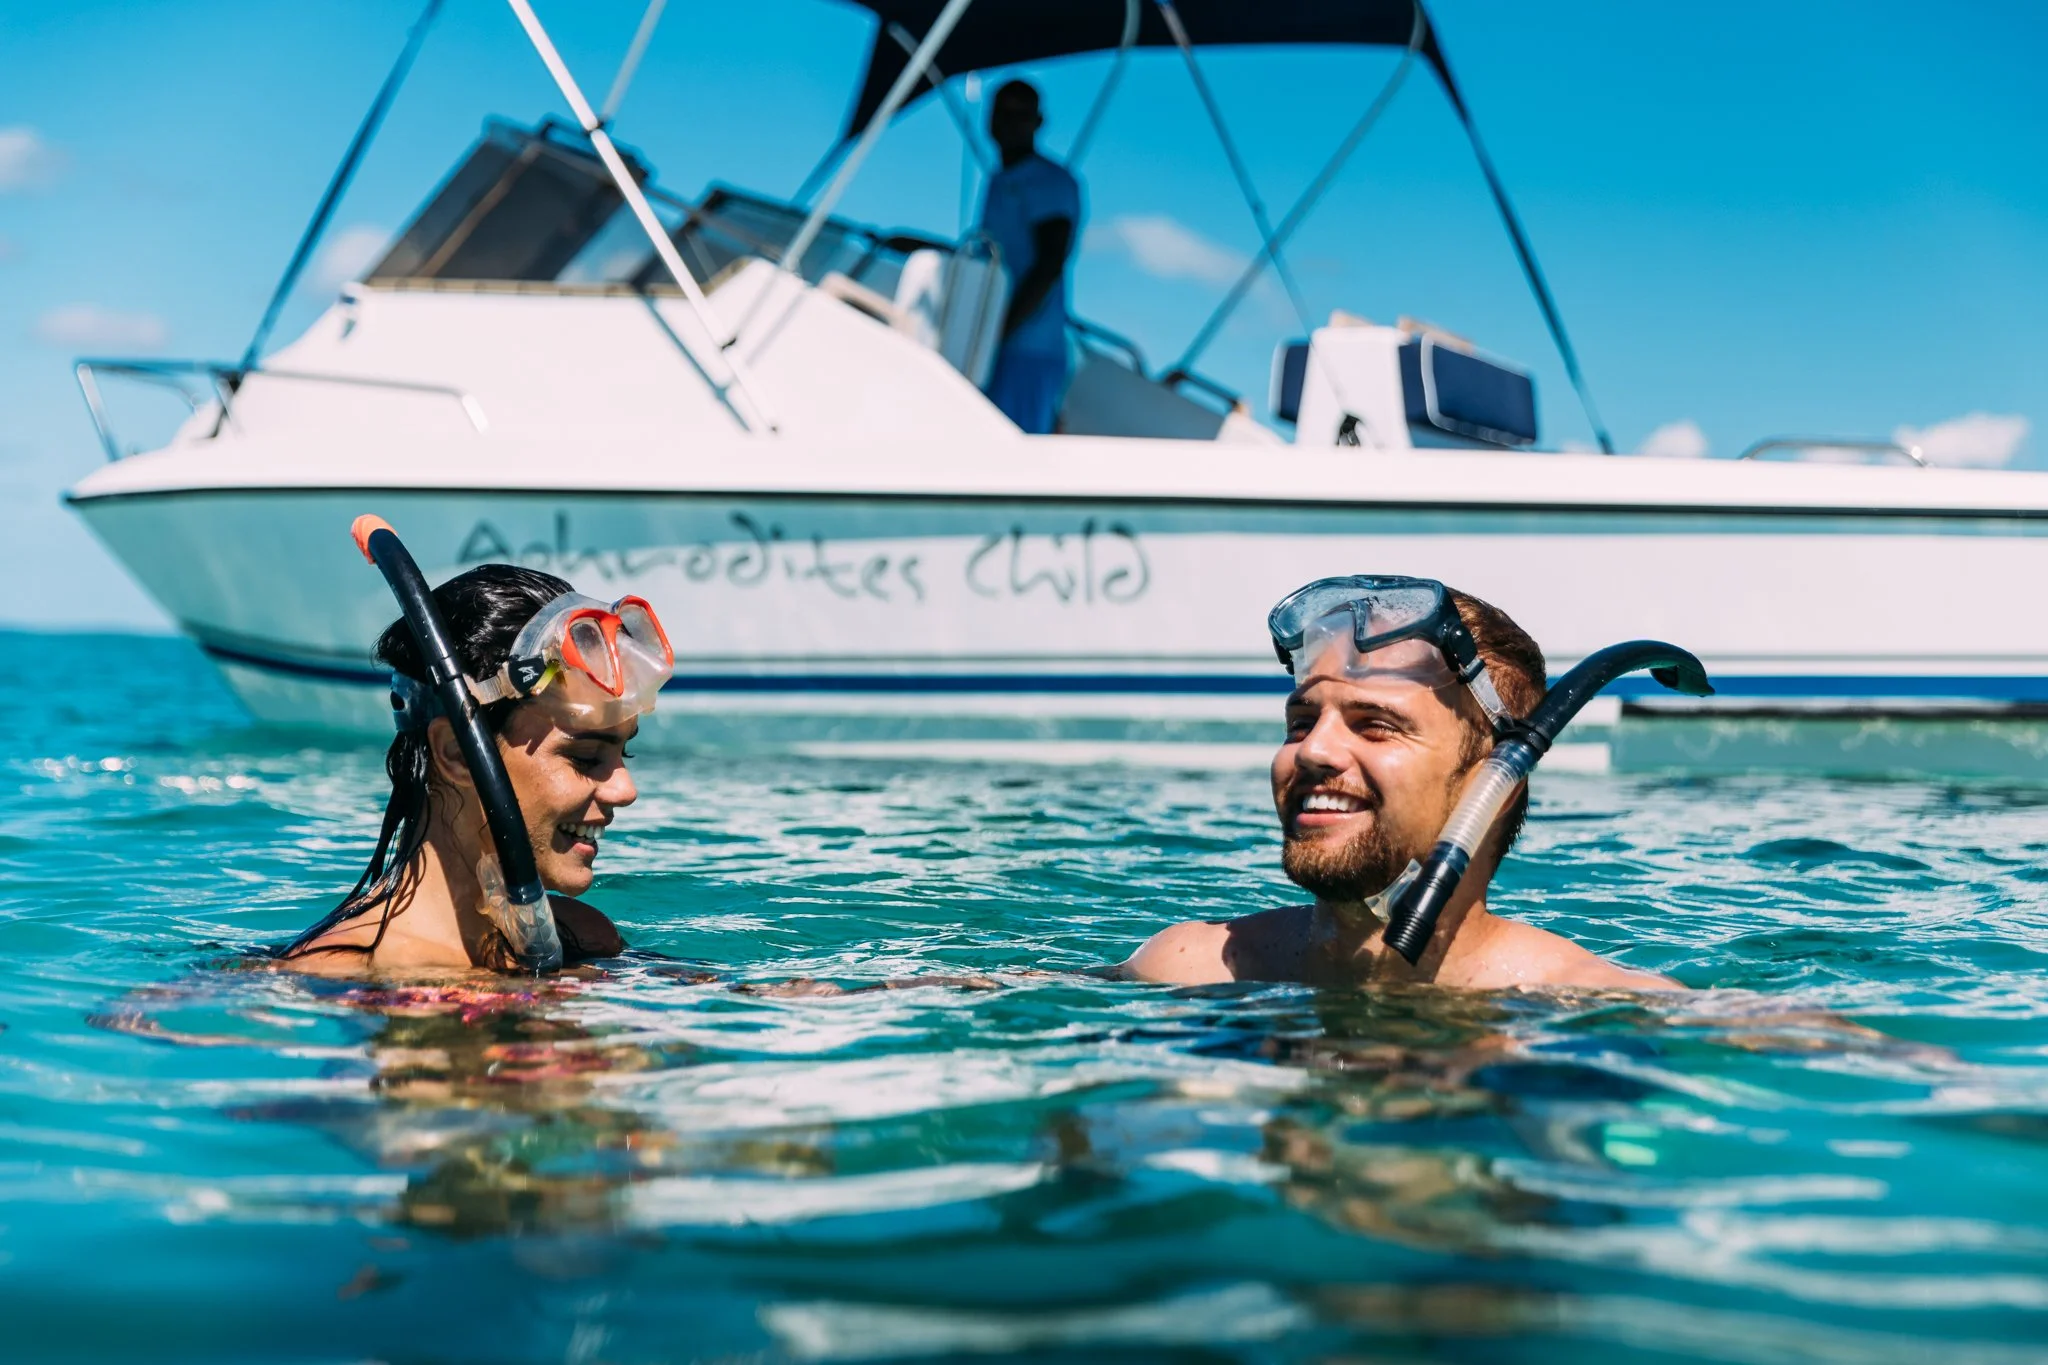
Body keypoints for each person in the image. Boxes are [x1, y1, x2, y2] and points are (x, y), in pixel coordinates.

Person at [1119, 579, 1680, 991]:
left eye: (1376, 726)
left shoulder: (1597, 1008)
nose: (1312, 751)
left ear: (1493, 786)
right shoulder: (1184, 968)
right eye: (1301, 721)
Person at [280, 565, 660, 975]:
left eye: (626, 753)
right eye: (584, 757)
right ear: (457, 753)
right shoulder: (341, 973)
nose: (625, 790)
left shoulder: (583, 937)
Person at [978, 79, 1082, 434]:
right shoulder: (998, 179)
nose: (1010, 122)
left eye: (1020, 114)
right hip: (993, 344)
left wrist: (997, 330)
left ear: (1038, 122)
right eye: (1003, 113)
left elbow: (1050, 263)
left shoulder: (1051, 182)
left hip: (1027, 351)